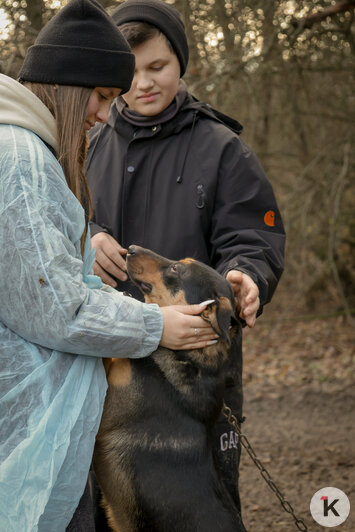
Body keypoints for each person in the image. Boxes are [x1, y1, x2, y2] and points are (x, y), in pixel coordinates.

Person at [0, 1, 217, 531]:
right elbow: (57, 311)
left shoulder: (25, 152)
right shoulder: (22, 160)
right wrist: (155, 326)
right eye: (100, 97)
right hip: (33, 437)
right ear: (69, 85)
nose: (102, 115)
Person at [86, 0, 286, 524]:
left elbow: (252, 237)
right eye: (129, 73)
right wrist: (88, 237)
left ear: (181, 63)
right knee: (104, 508)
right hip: (107, 368)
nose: (143, 84)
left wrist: (248, 275)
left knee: (203, 511)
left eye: (158, 67)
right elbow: (56, 226)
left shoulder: (222, 149)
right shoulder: (86, 144)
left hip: (195, 376)